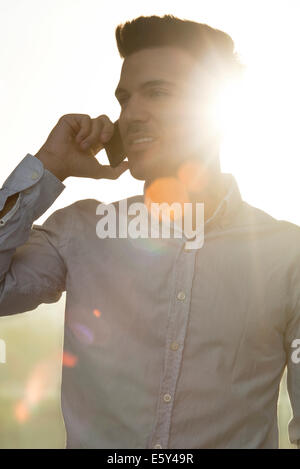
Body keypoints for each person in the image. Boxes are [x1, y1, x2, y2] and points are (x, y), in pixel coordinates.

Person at [0, 14, 299, 449]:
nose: (130, 115)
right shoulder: (81, 232)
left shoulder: (287, 257)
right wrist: (48, 166)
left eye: (157, 93)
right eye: (124, 99)